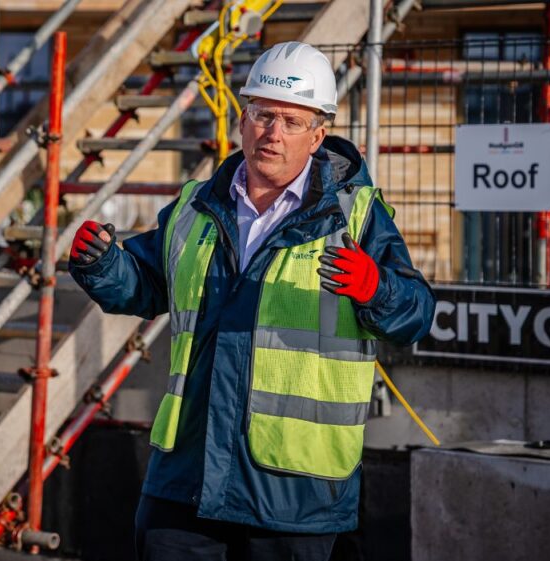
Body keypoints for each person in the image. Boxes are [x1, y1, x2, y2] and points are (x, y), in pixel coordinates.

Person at [69, 42, 435, 560]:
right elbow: (146, 284)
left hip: (293, 494)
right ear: (243, 120)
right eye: (263, 115)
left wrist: (378, 289)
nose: (273, 133)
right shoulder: (195, 207)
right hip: (187, 479)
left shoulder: (355, 217)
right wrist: (103, 263)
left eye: (292, 121)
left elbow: (417, 313)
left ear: (318, 135)